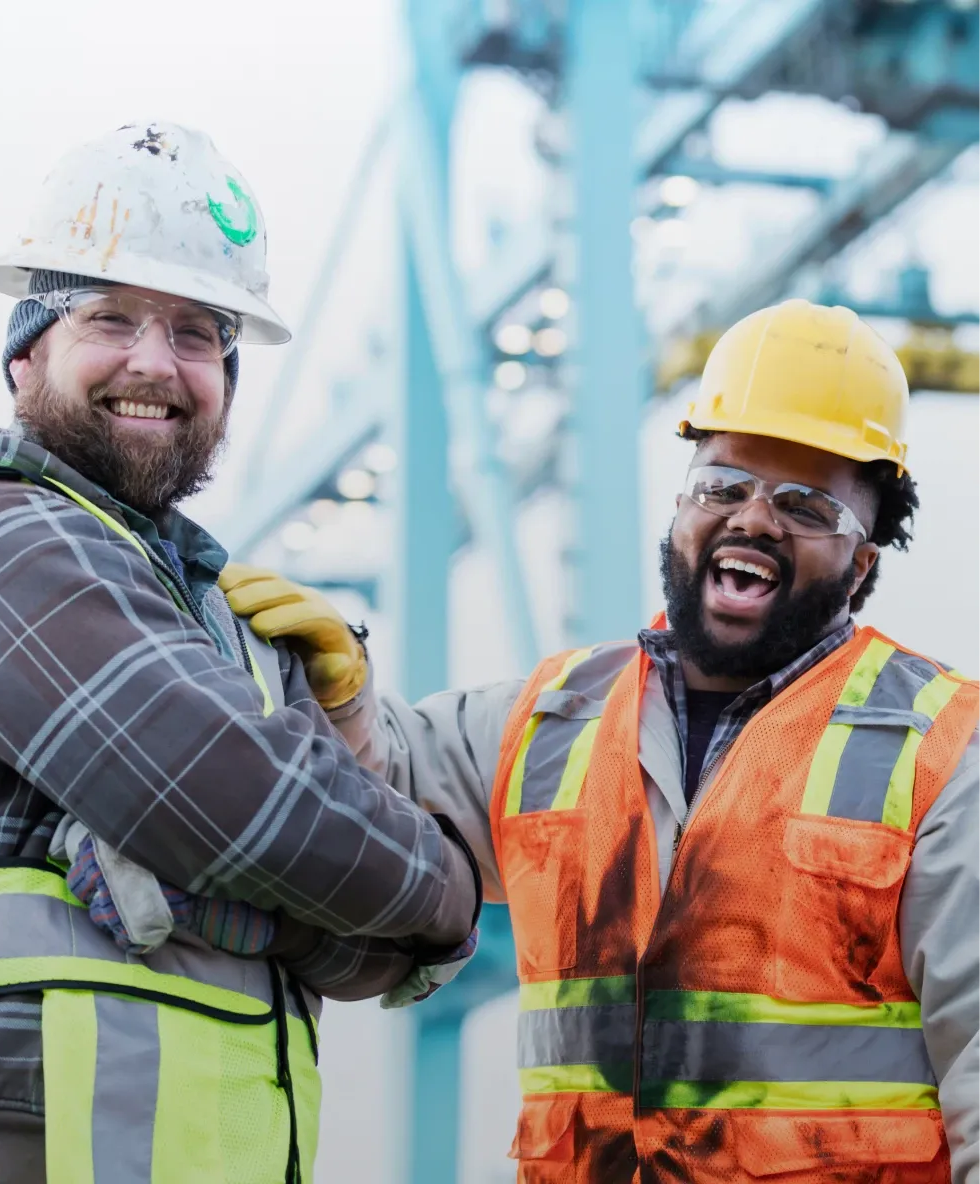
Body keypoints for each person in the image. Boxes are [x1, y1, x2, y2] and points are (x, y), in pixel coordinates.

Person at [227, 299, 980, 1182]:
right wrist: (344, 698)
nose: (752, 520)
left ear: (862, 565)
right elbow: (381, 785)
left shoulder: (942, 752)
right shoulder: (554, 718)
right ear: (681, 506)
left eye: (806, 505)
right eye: (722, 486)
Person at [0, 120, 480, 1184]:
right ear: (26, 351)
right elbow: (231, 795)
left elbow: (357, 949)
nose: (156, 362)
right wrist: (453, 882)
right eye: (109, 317)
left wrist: (249, 900)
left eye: (197, 332)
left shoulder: (198, 601)